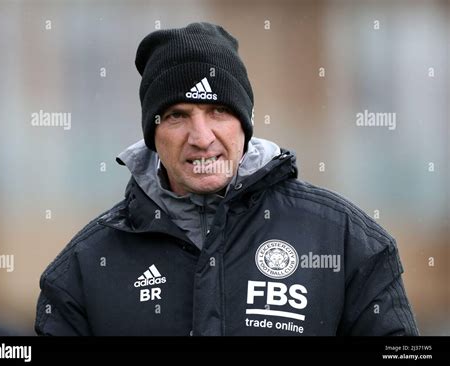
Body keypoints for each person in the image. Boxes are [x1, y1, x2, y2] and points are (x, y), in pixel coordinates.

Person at [35, 22, 419, 336]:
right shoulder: (84, 267)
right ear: (153, 135)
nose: (201, 138)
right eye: (177, 115)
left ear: (245, 124)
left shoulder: (346, 240)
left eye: (218, 111)